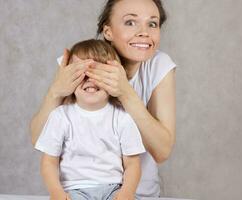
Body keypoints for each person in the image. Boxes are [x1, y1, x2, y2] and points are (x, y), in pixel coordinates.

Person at [31, 0, 176, 197]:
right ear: (108, 31)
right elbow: (39, 139)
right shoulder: (80, 61)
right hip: (77, 192)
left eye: (152, 23)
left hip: (137, 194)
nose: (144, 32)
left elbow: (162, 151)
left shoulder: (159, 65)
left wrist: (125, 92)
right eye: (130, 22)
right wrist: (55, 91)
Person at [35, 39, 146, 200]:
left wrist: (127, 193)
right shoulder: (60, 117)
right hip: (75, 190)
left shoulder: (122, 118)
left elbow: (132, 164)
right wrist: (56, 192)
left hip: (114, 189)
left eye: (98, 71)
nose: (89, 78)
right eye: (81, 72)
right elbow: (49, 162)